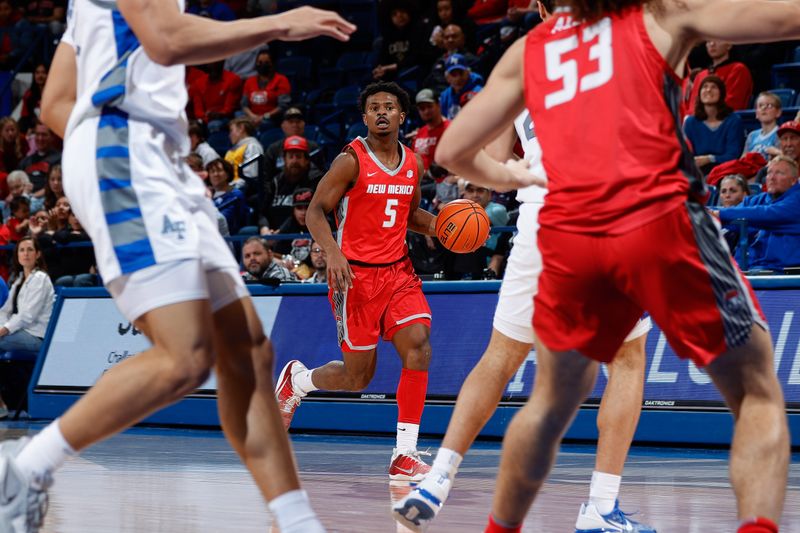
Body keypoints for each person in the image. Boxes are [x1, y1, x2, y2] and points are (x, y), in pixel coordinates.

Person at [427, 0, 800, 531]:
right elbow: (783, 18)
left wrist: (511, 178)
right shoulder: (661, 14)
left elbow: (453, 150)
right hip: (657, 219)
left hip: (570, 236)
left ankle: (498, 526)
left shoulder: (529, 50)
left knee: (551, 401)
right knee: (756, 390)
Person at [1, 3, 355, 533]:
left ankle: (298, 522)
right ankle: (25, 469)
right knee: (186, 355)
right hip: (125, 151)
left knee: (249, 352)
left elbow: (55, 102)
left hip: (152, 157)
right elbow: (166, 39)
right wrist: (280, 25)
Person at [394, 7, 653, 533]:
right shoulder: (621, 38)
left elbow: (487, 164)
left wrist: (524, 174)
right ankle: (601, 508)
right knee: (626, 359)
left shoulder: (524, 58)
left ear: (538, 7)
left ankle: (436, 478)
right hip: (611, 211)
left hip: (542, 215)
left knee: (501, 356)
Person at [275, 81, 439, 482]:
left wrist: (442, 227)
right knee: (357, 377)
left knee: (418, 346)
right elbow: (315, 211)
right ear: (364, 117)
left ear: (403, 115)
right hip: (355, 279)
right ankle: (298, 381)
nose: (382, 112)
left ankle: (404, 453)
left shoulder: (414, 163)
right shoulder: (350, 160)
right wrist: (332, 252)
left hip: (399, 272)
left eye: (389, 106)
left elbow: (409, 215)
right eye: (373, 107)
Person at [0, 237, 54, 422]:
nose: (25, 253)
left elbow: (26, 316)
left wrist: (2, 331)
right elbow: (5, 311)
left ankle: (1, 406)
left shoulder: (40, 279)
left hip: (37, 338)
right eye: (21, 250)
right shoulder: (19, 279)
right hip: (19, 334)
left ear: (38, 254)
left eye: (30, 250)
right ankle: (1, 404)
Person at [716, 156, 800, 271]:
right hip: (748, 271)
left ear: (794, 180)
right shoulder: (755, 200)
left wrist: (719, 213)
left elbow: (767, 214)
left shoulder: (797, 200)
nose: (771, 178)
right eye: (769, 173)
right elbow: (734, 218)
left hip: (783, 276)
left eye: (779, 173)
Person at [682, 75, 745, 174]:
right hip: (697, 172)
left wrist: (709, 159)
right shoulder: (690, 122)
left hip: (725, 172)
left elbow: (733, 155)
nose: (708, 90)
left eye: (713, 87)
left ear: (721, 93)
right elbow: (686, 154)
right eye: (705, 87)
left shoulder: (733, 120)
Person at [685, 40, 754, 114]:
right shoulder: (700, 75)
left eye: (718, 40)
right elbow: (692, 107)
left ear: (729, 45)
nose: (712, 44)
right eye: (708, 41)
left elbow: (732, 105)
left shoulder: (738, 70)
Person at [241, 48, 291, 127]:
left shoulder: (281, 80)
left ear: (273, 64)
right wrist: (252, 116)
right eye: (259, 62)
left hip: (271, 118)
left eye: (266, 63)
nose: (262, 65)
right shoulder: (249, 81)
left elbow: (283, 106)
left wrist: (264, 116)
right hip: (252, 117)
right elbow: (244, 105)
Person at [411, 89, 450, 173]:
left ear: (438, 105)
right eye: (422, 108)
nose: (426, 111)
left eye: (429, 106)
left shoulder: (450, 129)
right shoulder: (420, 133)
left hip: (440, 180)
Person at [207, 158, 249, 235]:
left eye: (219, 170)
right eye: (212, 172)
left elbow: (224, 219)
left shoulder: (235, 195)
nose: (216, 174)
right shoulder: (207, 195)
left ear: (228, 173)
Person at [439, 54, 483, 120]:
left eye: (461, 73)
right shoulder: (444, 97)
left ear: (468, 73)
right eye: (453, 74)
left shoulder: (480, 93)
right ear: (447, 78)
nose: (458, 78)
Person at [743, 92, 782, 160]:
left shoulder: (781, 134)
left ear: (778, 112)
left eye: (769, 105)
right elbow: (742, 159)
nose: (763, 108)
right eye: (760, 105)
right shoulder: (752, 136)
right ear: (756, 113)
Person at [225, 116, 264, 183]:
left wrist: (230, 189)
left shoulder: (252, 146)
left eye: (231, 130)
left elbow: (251, 176)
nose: (229, 135)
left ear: (241, 128)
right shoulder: (231, 150)